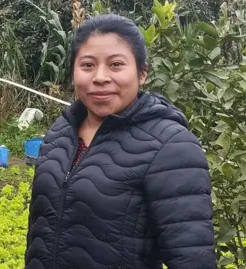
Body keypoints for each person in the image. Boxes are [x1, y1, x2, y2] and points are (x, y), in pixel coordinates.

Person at [24, 14, 215, 269]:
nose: (100, 77)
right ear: (73, 72)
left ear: (142, 73)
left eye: (115, 65)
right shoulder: (61, 132)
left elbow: (192, 259)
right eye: (88, 65)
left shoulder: (172, 145)